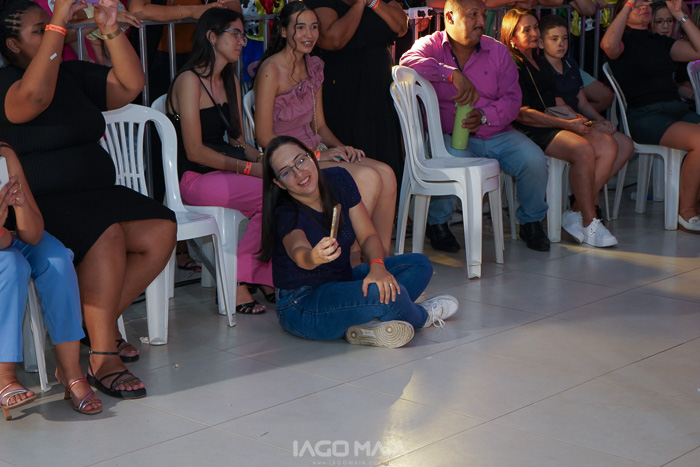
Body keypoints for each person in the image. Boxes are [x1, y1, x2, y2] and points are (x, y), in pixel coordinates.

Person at [0, 0, 177, 399]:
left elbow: (130, 84)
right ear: (12, 45)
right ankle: (102, 355)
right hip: (40, 205)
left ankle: (90, 323)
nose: (53, 33)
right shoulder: (6, 84)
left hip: (95, 193)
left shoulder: (72, 73)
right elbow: (34, 100)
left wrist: (110, 29)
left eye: (51, 27)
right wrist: (61, 17)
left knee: (160, 228)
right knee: (106, 233)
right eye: (40, 30)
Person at [258, 135, 459, 348]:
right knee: (384, 295)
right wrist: (314, 256)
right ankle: (422, 315)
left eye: (300, 160)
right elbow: (299, 251)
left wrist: (377, 266)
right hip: (302, 304)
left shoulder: (338, 179)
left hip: (341, 281)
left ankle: (368, 320)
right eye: (286, 172)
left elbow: (368, 235)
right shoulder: (285, 212)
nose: (299, 173)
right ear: (278, 183)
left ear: (312, 156)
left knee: (420, 264)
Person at [400, 0, 551, 252]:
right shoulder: (431, 45)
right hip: (449, 136)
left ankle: (531, 222)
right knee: (451, 162)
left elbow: (513, 100)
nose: (481, 22)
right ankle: (437, 224)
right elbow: (406, 61)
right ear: (450, 17)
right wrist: (450, 73)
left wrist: (483, 115)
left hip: (497, 132)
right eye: (473, 15)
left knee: (534, 160)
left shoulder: (498, 51)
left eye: (483, 14)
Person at [254, 1, 397, 257]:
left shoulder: (313, 66)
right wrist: (315, 155)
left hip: (316, 150)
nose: (309, 34)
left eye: (314, 27)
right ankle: (350, 260)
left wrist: (340, 147)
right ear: (284, 31)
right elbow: (264, 137)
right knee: (369, 177)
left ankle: (380, 258)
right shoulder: (270, 70)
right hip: (290, 161)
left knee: (386, 173)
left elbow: (318, 125)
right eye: (300, 28)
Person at [166, 8, 273, 313]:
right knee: (269, 193)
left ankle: (263, 276)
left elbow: (237, 141)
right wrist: (251, 169)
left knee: (283, 184)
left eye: (243, 34)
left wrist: (267, 161)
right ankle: (237, 281)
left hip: (225, 168)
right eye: (235, 34)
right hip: (194, 177)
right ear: (212, 37)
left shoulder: (230, 80)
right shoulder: (189, 81)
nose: (242, 41)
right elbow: (195, 151)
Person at [500, 8, 619, 247]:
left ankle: (574, 213)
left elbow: (556, 101)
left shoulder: (538, 61)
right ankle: (589, 221)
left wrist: (584, 121)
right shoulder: (512, 65)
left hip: (550, 121)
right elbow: (522, 114)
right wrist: (568, 124)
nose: (534, 33)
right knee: (583, 149)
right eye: (526, 30)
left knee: (609, 145)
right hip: (528, 128)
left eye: (535, 28)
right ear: (512, 37)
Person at [1, 144, 102, 419]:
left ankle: (70, 371)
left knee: (56, 259)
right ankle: (5, 375)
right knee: (10, 265)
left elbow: (33, 235)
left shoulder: (4, 154)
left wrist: (20, 204)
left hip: (8, 236)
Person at [601, 0, 700, 233]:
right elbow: (607, 45)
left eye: (646, 3)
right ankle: (685, 212)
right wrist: (628, 4)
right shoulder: (621, 43)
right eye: (636, 4)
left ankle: (695, 203)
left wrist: (679, 14)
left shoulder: (659, 41)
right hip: (645, 116)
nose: (644, 6)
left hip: (675, 110)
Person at [303, 0, 408, 182]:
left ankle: (390, 199)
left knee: (386, 155)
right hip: (345, 92)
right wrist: (360, 4)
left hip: (380, 90)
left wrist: (373, 2)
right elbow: (333, 40)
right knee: (356, 160)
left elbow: (401, 26)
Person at [537, 14, 633, 195]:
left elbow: (582, 102)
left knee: (626, 144)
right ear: (541, 43)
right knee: (608, 145)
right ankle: (586, 202)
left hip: (579, 121)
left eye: (564, 38)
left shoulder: (570, 63)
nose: (561, 44)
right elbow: (561, 109)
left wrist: (600, 120)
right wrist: (592, 124)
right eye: (554, 39)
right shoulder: (540, 68)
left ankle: (581, 201)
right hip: (560, 125)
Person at [650, 2, 693, 102]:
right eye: (659, 21)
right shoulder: (646, 50)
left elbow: (682, 84)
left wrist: (694, 95)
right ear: (650, 23)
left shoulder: (676, 48)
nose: (666, 26)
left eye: (670, 21)